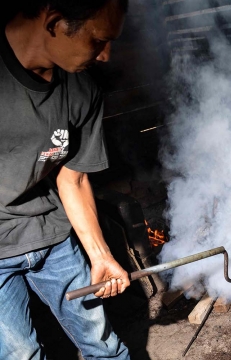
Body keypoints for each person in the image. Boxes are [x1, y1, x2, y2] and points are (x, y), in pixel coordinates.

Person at [0, 1, 132, 359]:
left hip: (53, 237)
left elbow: (71, 180)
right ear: (56, 23)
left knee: (104, 345)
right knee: (20, 355)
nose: (106, 55)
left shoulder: (81, 92)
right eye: (98, 40)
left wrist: (100, 254)